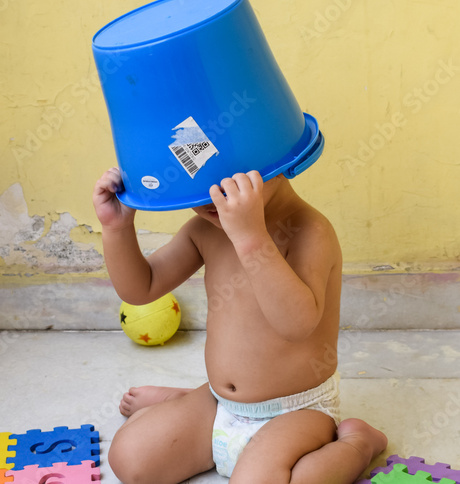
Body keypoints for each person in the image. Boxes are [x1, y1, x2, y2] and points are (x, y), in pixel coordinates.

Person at [93, 167, 387, 484]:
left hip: (297, 411)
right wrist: (116, 228)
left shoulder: (310, 230)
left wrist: (250, 238)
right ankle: (185, 398)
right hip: (221, 403)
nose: (212, 195)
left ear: (277, 157)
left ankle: (359, 444)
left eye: (228, 180)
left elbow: (296, 325)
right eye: (197, 182)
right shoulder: (204, 230)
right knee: (129, 458)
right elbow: (142, 288)